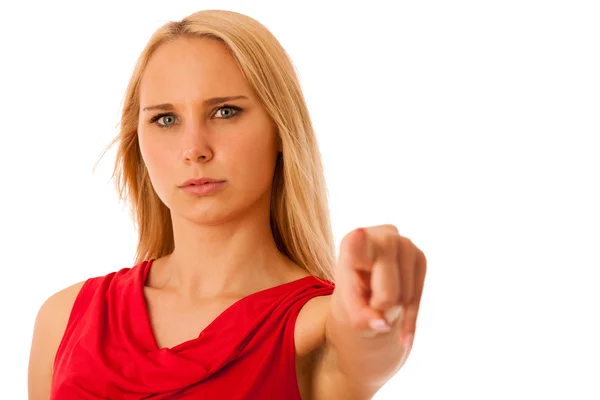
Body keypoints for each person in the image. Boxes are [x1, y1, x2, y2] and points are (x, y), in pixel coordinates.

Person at [27, 9, 426, 400]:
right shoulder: (64, 319)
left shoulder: (316, 326)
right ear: (138, 141)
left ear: (281, 130)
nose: (194, 149)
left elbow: (365, 344)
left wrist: (381, 311)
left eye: (225, 111)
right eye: (165, 119)